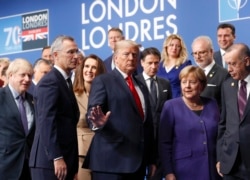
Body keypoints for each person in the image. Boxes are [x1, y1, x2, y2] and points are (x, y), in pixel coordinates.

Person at [83, 40, 155, 180]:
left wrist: (151, 159)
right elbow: (93, 113)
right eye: (126, 54)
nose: (131, 58)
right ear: (115, 58)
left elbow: (148, 124)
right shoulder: (103, 81)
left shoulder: (141, 84)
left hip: (137, 163)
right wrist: (98, 123)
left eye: (135, 54)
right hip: (111, 162)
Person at [29, 35, 80, 180]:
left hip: (64, 161)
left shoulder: (65, 81)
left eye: (76, 51)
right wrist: (57, 157)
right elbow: (46, 122)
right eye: (70, 52)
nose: (75, 56)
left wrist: (72, 165)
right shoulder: (50, 82)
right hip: (49, 163)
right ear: (55, 55)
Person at [159, 65, 221, 180]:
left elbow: (221, 135)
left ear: (201, 85)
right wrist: (168, 172)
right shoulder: (170, 106)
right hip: (183, 171)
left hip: (213, 170)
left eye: (192, 82)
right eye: (183, 82)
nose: (187, 86)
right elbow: (164, 143)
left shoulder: (212, 104)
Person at [136, 47, 172, 180]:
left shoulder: (165, 84)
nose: (153, 66)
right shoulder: (134, 83)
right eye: (150, 63)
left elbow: (168, 110)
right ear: (142, 63)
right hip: (141, 141)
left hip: (160, 140)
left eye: (157, 63)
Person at [216, 43, 250, 179]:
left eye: (233, 64)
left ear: (247, 61)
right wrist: (220, 157)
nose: (229, 69)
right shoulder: (227, 86)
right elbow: (223, 123)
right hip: (230, 162)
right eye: (227, 64)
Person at [0, 58, 35, 179]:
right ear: (10, 75)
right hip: (6, 165)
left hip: (30, 165)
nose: (27, 79)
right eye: (23, 75)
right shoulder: (1, 97)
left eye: (30, 76)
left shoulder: (33, 100)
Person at [73, 54, 106, 180]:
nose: (89, 70)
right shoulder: (71, 94)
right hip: (80, 153)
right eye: (86, 66)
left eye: (94, 67)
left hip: (103, 151)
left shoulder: (107, 94)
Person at [191, 36, 228, 109]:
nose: (198, 57)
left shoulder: (224, 74)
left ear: (211, 52)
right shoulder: (191, 74)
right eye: (195, 53)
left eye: (201, 52)